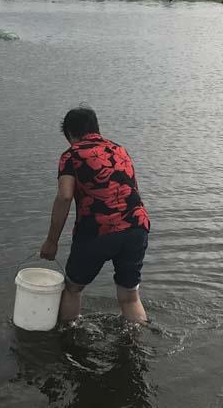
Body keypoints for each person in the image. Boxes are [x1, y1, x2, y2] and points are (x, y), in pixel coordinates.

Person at [40, 107, 151, 324]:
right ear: (96, 128)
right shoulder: (120, 150)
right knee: (129, 297)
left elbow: (64, 197)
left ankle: (66, 341)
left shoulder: (72, 155)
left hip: (99, 231)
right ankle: (137, 343)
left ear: (70, 134)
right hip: (137, 227)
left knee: (72, 288)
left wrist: (51, 242)